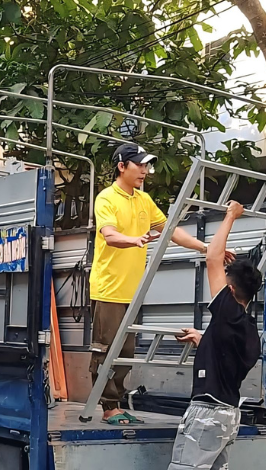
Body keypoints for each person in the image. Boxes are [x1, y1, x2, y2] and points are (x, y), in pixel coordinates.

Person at [88, 143, 232, 425]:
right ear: (122, 166)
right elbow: (109, 234)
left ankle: (114, 404)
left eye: (146, 165)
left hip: (133, 289)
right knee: (107, 349)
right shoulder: (106, 198)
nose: (144, 170)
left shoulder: (143, 200)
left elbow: (170, 231)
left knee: (127, 352)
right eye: (139, 164)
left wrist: (206, 248)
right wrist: (135, 240)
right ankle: (108, 407)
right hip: (109, 287)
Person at [167, 199, 262, 470]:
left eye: (224, 277)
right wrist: (202, 340)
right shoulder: (246, 329)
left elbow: (212, 255)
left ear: (231, 287)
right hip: (227, 415)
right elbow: (225, 353)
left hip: (206, 415)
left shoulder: (226, 310)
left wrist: (230, 217)